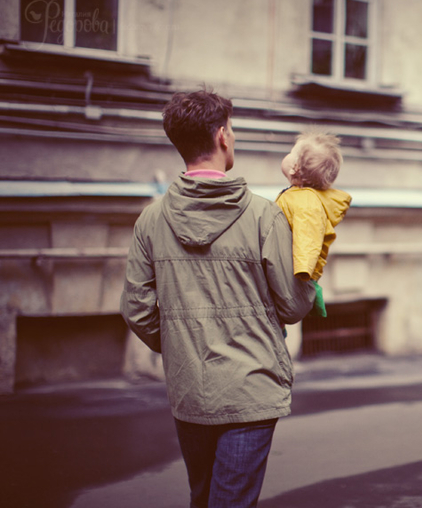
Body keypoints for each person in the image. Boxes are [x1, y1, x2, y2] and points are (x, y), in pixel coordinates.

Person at [120, 88, 315, 508]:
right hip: (251, 389)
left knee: (203, 496)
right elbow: (294, 306)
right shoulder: (264, 215)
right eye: (233, 129)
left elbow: (136, 308)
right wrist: (309, 270)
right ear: (222, 136)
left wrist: (181, 343)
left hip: (190, 388)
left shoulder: (151, 219)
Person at [275, 130, 352, 317]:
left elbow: (307, 237)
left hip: (296, 277)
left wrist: (304, 268)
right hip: (289, 270)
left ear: (295, 168)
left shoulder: (307, 202)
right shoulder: (299, 195)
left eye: (291, 152)